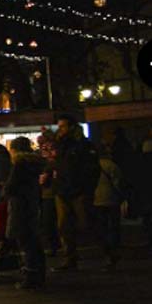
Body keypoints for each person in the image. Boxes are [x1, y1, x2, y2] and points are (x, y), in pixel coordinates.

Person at [43, 114, 99, 271]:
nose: (60, 130)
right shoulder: (60, 145)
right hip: (62, 190)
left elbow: (92, 169)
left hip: (78, 190)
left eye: (63, 127)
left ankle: (108, 250)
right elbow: (56, 164)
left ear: (72, 127)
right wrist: (49, 176)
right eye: (59, 127)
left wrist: (87, 188)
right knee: (64, 226)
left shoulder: (83, 145)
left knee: (86, 222)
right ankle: (70, 257)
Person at [3, 137, 46, 289]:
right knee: (33, 240)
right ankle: (39, 273)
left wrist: (4, 190)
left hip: (20, 206)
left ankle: (31, 276)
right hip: (32, 203)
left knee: (25, 241)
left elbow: (12, 186)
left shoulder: (19, 164)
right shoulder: (34, 163)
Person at [94, 142, 124, 271]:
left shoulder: (91, 166)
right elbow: (118, 182)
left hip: (96, 200)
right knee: (113, 227)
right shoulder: (111, 165)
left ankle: (107, 252)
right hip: (112, 199)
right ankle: (114, 250)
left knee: (102, 227)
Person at [36, 129, 60, 256]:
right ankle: (55, 244)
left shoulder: (48, 157)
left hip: (50, 192)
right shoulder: (49, 154)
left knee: (49, 220)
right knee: (50, 220)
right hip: (49, 191)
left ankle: (53, 245)